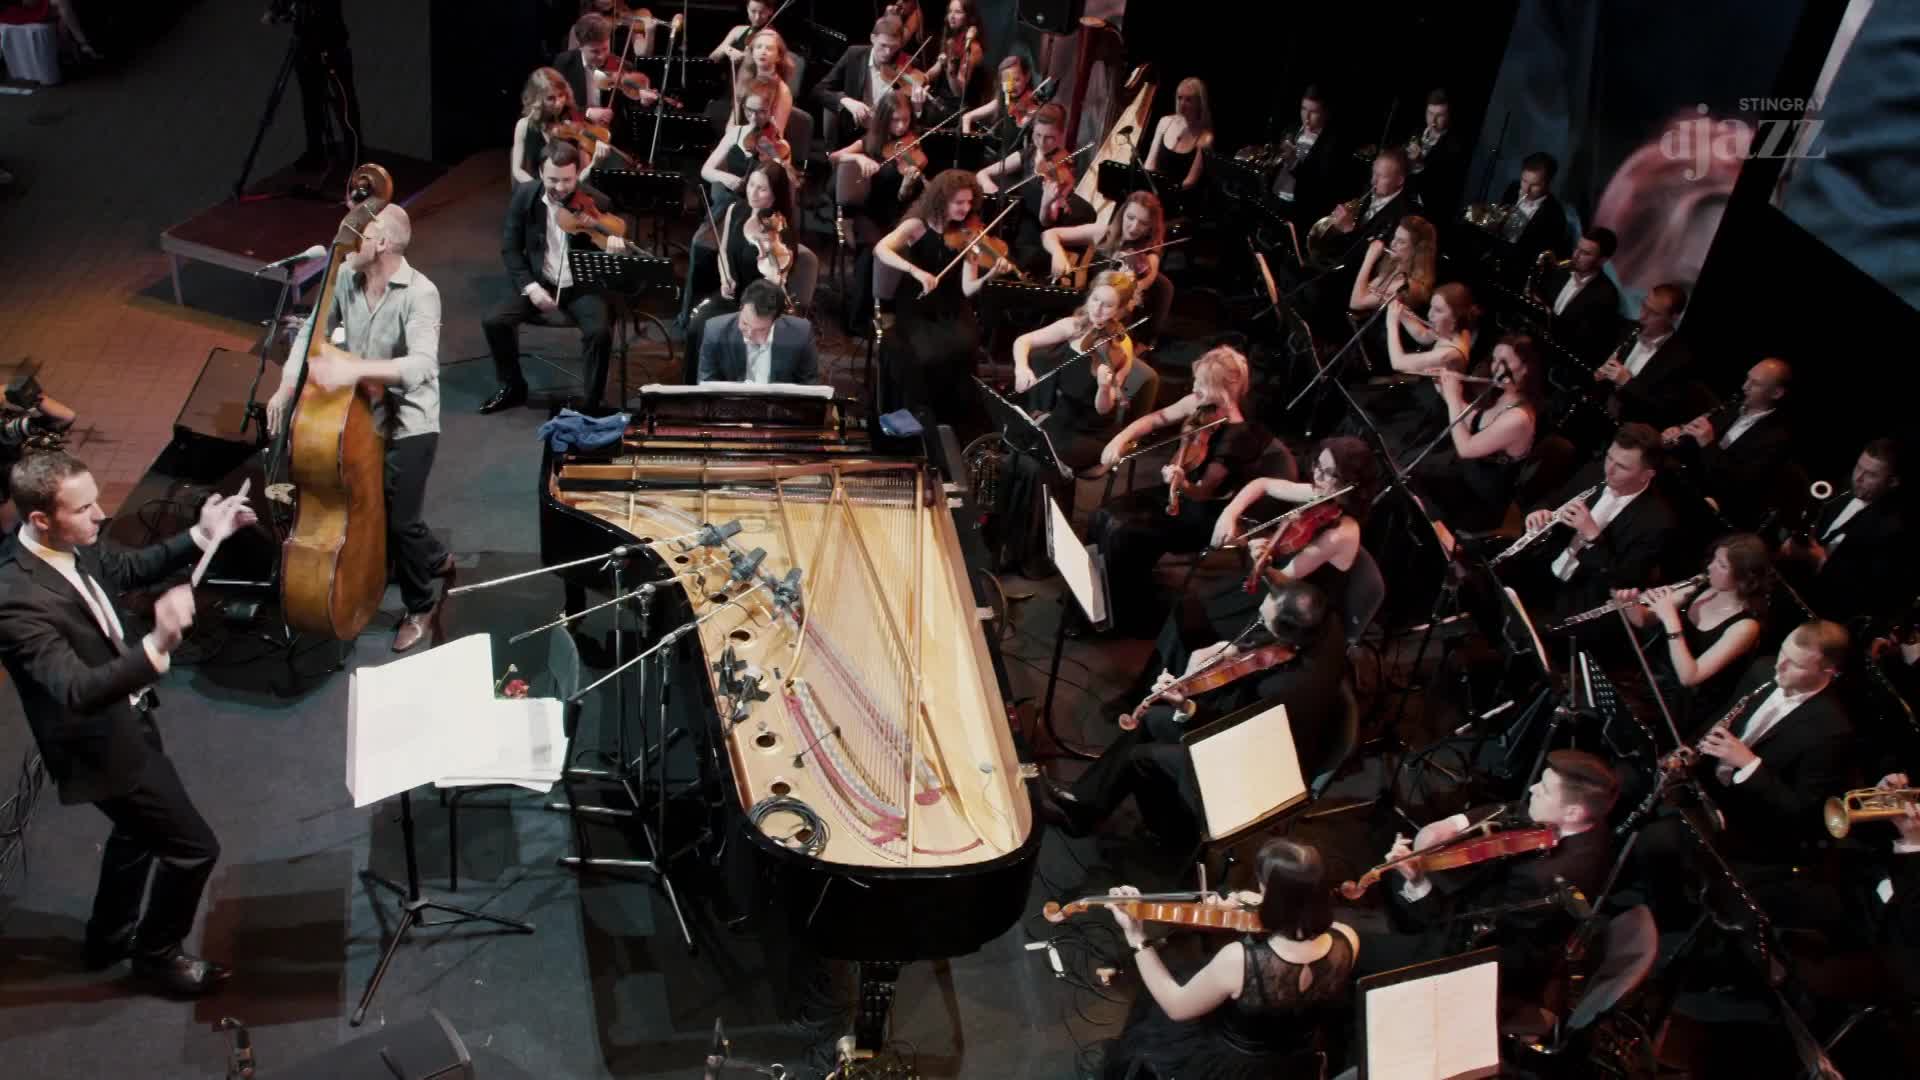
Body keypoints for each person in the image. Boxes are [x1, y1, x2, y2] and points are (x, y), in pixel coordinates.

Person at [0, 451, 256, 995]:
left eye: (96, 500)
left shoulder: (72, 544)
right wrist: (158, 643)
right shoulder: (15, 601)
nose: (100, 516)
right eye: (84, 508)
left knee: (137, 833)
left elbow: (127, 568)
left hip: (129, 716)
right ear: (40, 519)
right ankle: (157, 955)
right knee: (193, 848)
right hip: (98, 742)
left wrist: (202, 535)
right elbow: (75, 690)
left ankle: (109, 936)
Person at [269, 204, 454, 650]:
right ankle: (435, 557)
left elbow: (423, 366)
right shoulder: (346, 279)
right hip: (361, 417)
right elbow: (311, 333)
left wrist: (354, 369)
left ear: (384, 244)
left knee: (401, 520)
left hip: (411, 421)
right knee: (368, 505)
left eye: (360, 235)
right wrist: (285, 385)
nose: (349, 243)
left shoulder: (420, 293)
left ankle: (421, 607)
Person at [1040, 581, 1350, 845]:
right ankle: (1081, 808)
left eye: (1262, 623)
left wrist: (1186, 706)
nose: (1254, 626)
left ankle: (1173, 835)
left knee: (1143, 759)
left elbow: (1227, 735)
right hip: (1263, 729)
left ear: (1287, 638)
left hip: (1257, 762)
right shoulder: (1328, 623)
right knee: (1151, 719)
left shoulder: (1282, 689)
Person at [1347, 749, 1619, 1015]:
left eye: (1545, 789)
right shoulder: (1591, 823)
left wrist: (1419, 884)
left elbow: (1465, 926)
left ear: (1573, 813)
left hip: (1488, 949)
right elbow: (1515, 811)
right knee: (1398, 875)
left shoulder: (1541, 878)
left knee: (1359, 949)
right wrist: (1455, 822)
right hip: (1494, 905)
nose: (1533, 789)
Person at [1097, 841, 1360, 1080]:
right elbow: (1299, 932)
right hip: (1298, 1060)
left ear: (1271, 893)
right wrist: (1260, 907)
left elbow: (1177, 1007)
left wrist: (1136, 937)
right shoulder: (1348, 939)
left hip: (1239, 1066)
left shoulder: (1238, 961)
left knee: (1166, 995)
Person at [1088, 347, 1271, 635]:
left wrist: (1181, 482)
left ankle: (1122, 615)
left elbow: (1202, 492)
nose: (1194, 388)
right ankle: (1094, 599)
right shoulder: (1200, 405)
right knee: (1102, 515)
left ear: (1221, 390)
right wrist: (1120, 440)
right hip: (1175, 495)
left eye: (1201, 384)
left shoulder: (1239, 438)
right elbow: (1155, 419)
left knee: (1124, 532)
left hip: (1203, 512)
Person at [993, 270, 1139, 574]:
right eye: (1095, 300)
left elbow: (1104, 411)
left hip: (1091, 431)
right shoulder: (1073, 326)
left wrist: (1103, 386)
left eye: (1108, 306)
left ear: (1122, 310)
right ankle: (1007, 541)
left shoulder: (1120, 347)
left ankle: (1037, 554)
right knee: (1016, 457)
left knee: (1038, 466)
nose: (1098, 310)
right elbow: (1024, 340)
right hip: (1062, 418)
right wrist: (1021, 368)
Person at [480, 141, 631, 415]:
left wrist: (611, 248)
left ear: (577, 175)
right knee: (494, 321)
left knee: (599, 332)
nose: (561, 188)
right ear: (540, 172)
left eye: (567, 180)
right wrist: (531, 287)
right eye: (553, 180)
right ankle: (513, 386)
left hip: (581, 285)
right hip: (541, 279)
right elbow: (510, 249)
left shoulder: (595, 201)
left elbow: (610, 243)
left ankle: (592, 402)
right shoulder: (524, 196)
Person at [873, 168, 1011, 424]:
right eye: (959, 202)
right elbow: (881, 249)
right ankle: (922, 416)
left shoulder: (969, 232)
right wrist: (915, 271)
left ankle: (951, 420)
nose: (965, 208)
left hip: (952, 304)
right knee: (928, 353)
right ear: (942, 199)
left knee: (966, 344)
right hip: (918, 304)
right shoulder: (918, 225)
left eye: (970, 202)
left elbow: (967, 289)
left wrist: (989, 273)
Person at [1511, 423, 1677, 622]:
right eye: (1609, 457)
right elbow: (1554, 500)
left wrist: (1593, 536)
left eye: (1622, 466)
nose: (1609, 470)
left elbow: (1625, 580)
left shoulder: (1656, 522)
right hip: (1543, 567)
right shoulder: (1594, 471)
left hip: (1580, 602)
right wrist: (1539, 512)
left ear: (1646, 475)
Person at [1616, 533, 1772, 728]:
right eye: (1714, 559)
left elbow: (1689, 677)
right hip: (1652, 681)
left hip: (1680, 705)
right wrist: (1630, 604)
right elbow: (1644, 620)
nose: (1710, 567)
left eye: (1722, 565)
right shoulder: (1700, 586)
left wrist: (1671, 619)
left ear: (1744, 578)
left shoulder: (1745, 627)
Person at [1413, 335, 1544, 533]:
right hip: (1462, 477)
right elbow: (1473, 419)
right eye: (1494, 360)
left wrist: (1453, 397)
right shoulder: (1503, 394)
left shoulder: (1519, 418)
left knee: (1416, 485)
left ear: (1526, 369)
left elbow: (1466, 448)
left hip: (1476, 500)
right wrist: (1443, 387)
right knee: (1411, 470)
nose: (1496, 368)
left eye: (1504, 362)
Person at [680, 162, 797, 378]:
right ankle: (693, 389)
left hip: (758, 303)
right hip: (733, 294)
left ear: (775, 194)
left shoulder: (779, 229)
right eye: (751, 184)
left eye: (761, 189)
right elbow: (723, 250)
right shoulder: (736, 209)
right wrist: (725, 278)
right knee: (697, 324)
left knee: (730, 335)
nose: (752, 193)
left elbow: (776, 283)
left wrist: (772, 265)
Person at [1783, 438, 1911, 625]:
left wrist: (1819, 560)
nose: (1858, 478)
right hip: (1791, 581)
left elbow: (1867, 590)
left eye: (1871, 475)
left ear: (1892, 482)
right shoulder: (1843, 491)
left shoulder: (1894, 530)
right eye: (1858, 467)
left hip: (1819, 611)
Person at [1662, 358, 1793, 530]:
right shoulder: (1731, 407)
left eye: (1755, 384)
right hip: (1687, 482)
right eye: (1747, 379)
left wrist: (1708, 443)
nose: (1745, 387)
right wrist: (1677, 437)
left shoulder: (1777, 438)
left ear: (1776, 393)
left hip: (1715, 506)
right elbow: (1693, 448)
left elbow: (1736, 484)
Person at [977, 102, 1096, 272]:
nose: (1042, 142)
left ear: (1061, 135)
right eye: (1038, 135)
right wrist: (991, 187)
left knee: (1008, 260)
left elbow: (1046, 221)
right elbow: (982, 174)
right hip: (1015, 221)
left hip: (1037, 235)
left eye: (1049, 138)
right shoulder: (1028, 154)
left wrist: (1048, 202)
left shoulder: (1063, 169)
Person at [1041, 191, 1167, 341]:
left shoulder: (1149, 258)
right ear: (1122, 214)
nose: (1134, 227)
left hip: (1106, 323)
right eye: (1130, 218)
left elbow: (1128, 304)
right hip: (1077, 307)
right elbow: (1049, 234)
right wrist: (1058, 254)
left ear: (1151, 227)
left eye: (1143, 223)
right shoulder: (1102, 233)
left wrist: (1126, 286)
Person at [264, 0, 362, 174]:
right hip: (305, 45)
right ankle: (315, 151)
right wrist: (277, 9)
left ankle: (355, 153)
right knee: (310, 101)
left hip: (332, 42)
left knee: (344, 100)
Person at [1595, 283, 1696, 428]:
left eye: (1654, 313)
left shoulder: (1680, 359)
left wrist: (1627, 382)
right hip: (1598, 410)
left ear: (1674, 317)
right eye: (1644, 306)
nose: (1642, 316)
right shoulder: (1626, 329)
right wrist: (1599, 373)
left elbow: (1664, 408)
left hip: (1632, 428)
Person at [700, 76, 795, 219]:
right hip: (729, 204)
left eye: (761, 111)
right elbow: (706, 171)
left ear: (772, 110)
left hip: (760, 211)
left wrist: (775, 157)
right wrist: (726, 178)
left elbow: (784, 191)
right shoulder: (735, 133)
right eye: (749, 110)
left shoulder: (779, 145)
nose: (754, 118)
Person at [696, 280, 818, 384]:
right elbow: (707, 382)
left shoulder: (801, 332)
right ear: (741, 308)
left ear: (776, 320)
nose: (749, 334)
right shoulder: (715, 330)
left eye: (761, 330)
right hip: (732, 406)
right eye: (745, 323)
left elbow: (808, 385)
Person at [811, 14, 906, 146]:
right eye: (883, 45)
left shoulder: (907, 65)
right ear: (873, 38)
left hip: (889, 138)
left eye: (894, 47)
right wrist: (847, 101)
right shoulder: (854, 55)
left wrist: (918, 106)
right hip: (854, 135)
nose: (888, 52)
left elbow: (917, 115)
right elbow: (819, 90)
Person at [1535, 226, 1623, 367]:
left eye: (1585, 253)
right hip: (1533, 341)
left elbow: (1584, 342)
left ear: (1602, 260)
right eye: (1577, 248)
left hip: (1557, 361)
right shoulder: (1559, 271)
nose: (1575, 255)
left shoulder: (1606, 296)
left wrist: (1548, 317)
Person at [511, 67, 611, 186]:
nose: (559, 103)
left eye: (561, 95)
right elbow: (517, 170)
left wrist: (595, 164)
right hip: (537, 189)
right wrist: (540, 189)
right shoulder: (524, 125)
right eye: (551, 98)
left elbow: (582, 172)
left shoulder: (575, 124)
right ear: (537, 99)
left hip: (571, 187)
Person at [1267, 84, 1337, 222]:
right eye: (1303, 109)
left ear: (1326, 113)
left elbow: (1319, 183)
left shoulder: (1330, 145)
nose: (1306, 116)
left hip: (1296, 209)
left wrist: (1293, 162)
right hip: (1274, 196)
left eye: (1314, 112)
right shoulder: (1292, 130)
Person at [916, 0, 987, 124]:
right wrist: (921, 79)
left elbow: (958, 92)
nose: (952, 17)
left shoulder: (973, 47)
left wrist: (950, 65)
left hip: (957, 108)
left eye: (958, 12)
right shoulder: (951, 40)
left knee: (923, 116)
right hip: (942, 100)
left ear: (969, 17)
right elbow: (936, 69)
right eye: (950, 11)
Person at [1497, 152, 1571, 269]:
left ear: (1548, 183)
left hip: (1517, 268)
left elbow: (1538, 258)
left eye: (1535, 185)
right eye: (1524, 181)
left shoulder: (1555, 215)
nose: (1526, 190)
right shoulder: (1513, 188)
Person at [1143, 78, 1215, 193]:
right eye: (1180, 98)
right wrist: (1148, 186)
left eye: (1188, 100)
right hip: (1154, 188)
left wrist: (1166, 193)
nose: (1182, 104)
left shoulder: (1205, 137)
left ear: (1199, 103)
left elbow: (1190, 181)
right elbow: (1150, 163)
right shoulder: (1165, 122)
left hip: (1180, 196)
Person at [1405, 88, 1466, 217]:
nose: (1433, 121)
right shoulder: (1417, 130)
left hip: (1427, 208)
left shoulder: (1454, 145)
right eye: (1430, 113)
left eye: (1440, 116)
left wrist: (1419, 163)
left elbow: (1442, 184)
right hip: (1404, 197)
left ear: (1449, 115)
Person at [553, 14, 616, 127]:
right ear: (580, 45)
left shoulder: (617, 64)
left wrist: (640, 96)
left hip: (611, 133)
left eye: (605, 49)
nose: (601, 56)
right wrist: (588, 113)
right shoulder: (564, 63)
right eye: (595, 51)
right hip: (578, 131)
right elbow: (559, 107)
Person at [730, 28, 796, 132]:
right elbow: (732, 122)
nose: (763, 52)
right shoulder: (744, 78)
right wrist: (731, 138)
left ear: (778, 56)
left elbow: (777, 133)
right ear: (752, 52)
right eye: (759, 47)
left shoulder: (782, 91)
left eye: (769, 48)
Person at [708, 0, 773, 64]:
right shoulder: (738, 30)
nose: (757, 17)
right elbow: (712, 58)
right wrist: (727, 49)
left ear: (770, 11)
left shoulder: (773, 36)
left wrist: (745, 57)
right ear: (747, 9)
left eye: (762, 12)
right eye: (753, 11)